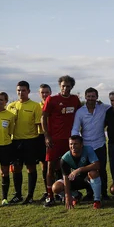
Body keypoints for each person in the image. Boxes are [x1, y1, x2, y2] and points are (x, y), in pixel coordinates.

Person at [41, 75, 81, 207]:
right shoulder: (52, 99)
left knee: (70, 168)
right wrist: (47, 135)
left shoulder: (75, 99)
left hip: (70, 141)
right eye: (63, 86)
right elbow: (43, 117)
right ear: (60, 86)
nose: (65, 88)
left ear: (71, 87)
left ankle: (69, 193)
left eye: (68, 86)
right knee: (50, 168)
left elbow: (81, 113)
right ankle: (50, 196)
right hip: (54, 140)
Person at [7, 81, 42, 204]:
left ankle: (30, 195)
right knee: (16, 168)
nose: (20, 92)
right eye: (18, 90)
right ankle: (18, 195)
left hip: (31, 141)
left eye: (23, 90)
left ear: (28, 91)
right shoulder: (10, 106)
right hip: (15, 142)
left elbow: (39, 125)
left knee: (30, 168)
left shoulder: (35, 106)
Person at [71, 87, 110, 201]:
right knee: (87, 170)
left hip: (100, 144)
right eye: (88, 96)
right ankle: (90, 193)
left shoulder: (103, 108)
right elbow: (75, 128)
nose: (91, 99)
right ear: (85, 97)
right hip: (86, 145)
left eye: (93, 96)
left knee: (102, 169)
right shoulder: (80, 112)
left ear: (97, 97)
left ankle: (104, 193)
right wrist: (76, 142)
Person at [53, 135, 102, 209]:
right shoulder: (65, 158)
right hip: (75, 180)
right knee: (56, 187)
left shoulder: (88, 149)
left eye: (75, 144)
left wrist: (79, 169)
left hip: (88, 179)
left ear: (81, 145)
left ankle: (97, 200)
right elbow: (66, 177)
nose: (73, 146)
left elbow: (97, 165)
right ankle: (75, 195)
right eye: (71, 144)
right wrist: (67, 196)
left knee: (93, 173)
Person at [36, 84, 52, 194]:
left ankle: (59, 189)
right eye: (42, 92)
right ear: (39, 94)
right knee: (44, 164)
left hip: (54, 136)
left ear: (50, 93)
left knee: (57, 165)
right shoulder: (36, 106)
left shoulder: (54, 103)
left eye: (47, 92)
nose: (44, 94)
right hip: (41, 137)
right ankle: (47, 191)